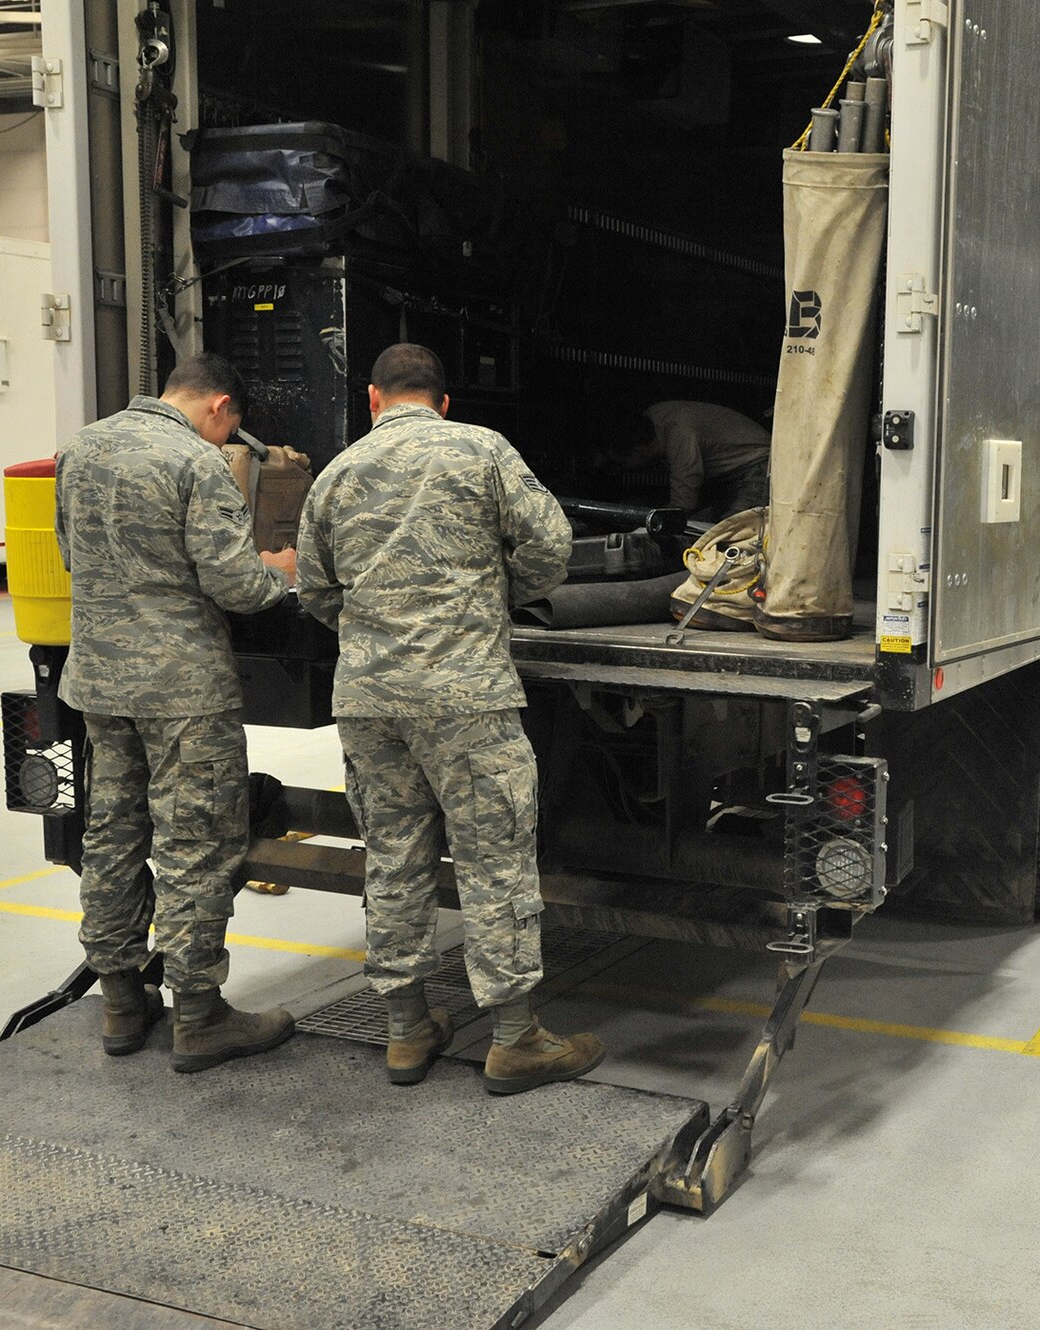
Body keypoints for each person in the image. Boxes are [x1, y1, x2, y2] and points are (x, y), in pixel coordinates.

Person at [296, 343, 604, 1092]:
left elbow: (314, 589)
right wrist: (497, 594)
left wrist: (373, 634)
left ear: (372, 399)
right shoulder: (481, 449)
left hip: (368, 699)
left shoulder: (336, 473)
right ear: (443, 399)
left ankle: (406, 1031)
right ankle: (514, 1037)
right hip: (464, 696)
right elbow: (551, 545)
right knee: (492, 857)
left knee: (394, 855)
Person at [54, 353, 299, 1072]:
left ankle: (123, 1003)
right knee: (194, 842)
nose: (227, 441)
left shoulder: (81, 448)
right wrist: (278, 572)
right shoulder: (196, 462)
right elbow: (235, 585)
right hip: (181, 688)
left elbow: (73, 556)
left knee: (113, 833)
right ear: (219, 407)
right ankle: (199, 1015)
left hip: (100, 680)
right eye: (231, 430)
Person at [612, 400, 770, 521]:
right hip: (730, 474)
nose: (621, 468)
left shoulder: (680, 436)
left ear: (637, 451)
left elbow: (682, 506)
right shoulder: (654, 419)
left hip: (758, 465)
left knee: (731, 530)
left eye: (621, 463)